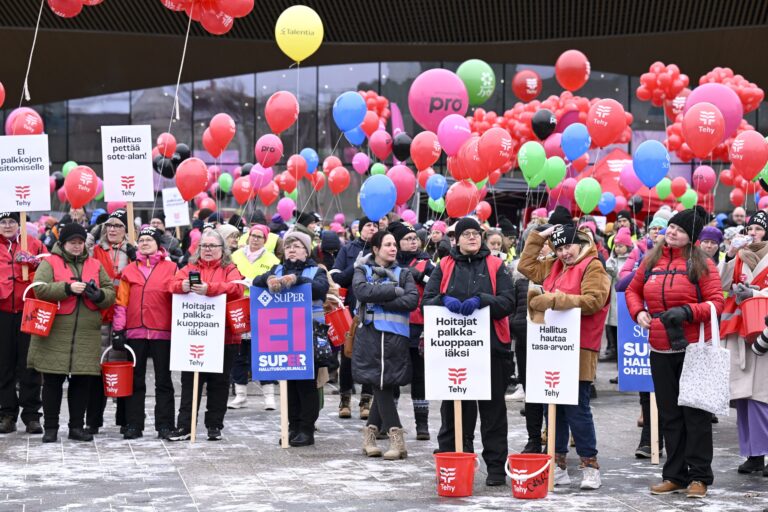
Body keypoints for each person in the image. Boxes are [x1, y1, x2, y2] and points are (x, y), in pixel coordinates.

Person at [625, 206, 725, 498]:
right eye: (670, 227)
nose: (671, 232)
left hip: (694, 348)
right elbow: (632, 290)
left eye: (679, 230)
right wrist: (637, 312)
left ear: (691, 237)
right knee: (670, 416)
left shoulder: (702, 263)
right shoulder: (651, 258)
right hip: (660, 347)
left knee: (695, 414)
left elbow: (716, 303)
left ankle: (699, 477)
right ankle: (675, 475)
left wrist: (686, 312)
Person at [519, 222, 611, 490]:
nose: (563, 253)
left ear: (580, 242)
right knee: (553, 407)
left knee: (577, 408)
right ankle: (557, 464)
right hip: (551, 346)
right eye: (558, 248)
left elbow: (594, 300)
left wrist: (554, 300)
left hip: (580, 347)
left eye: (568, 246)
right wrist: (540, 237)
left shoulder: (593, 266)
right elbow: (525, 266)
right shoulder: (554, 265)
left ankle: (589, 465)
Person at [423, 217, 515, 486]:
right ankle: (452, 461)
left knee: (493, 413)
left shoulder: (497, 265)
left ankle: (496, 467)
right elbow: (427, 300)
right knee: (453, 411)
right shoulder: (444, 266)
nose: (473, 238)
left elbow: (508, 302)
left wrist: (482, 300)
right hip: (453, 352)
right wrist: (444, 300)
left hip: (491, 351)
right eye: (467, 234)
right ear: (457, 239)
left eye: (477, 234)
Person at [26, 223, 116, 442]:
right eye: (72, 242)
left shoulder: (94, 263)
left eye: (79, 242)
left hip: (86, 333)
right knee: (52, 382)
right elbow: (39, 288)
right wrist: (67, 288)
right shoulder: (50, 262)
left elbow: (111, 293)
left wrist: (97, 295)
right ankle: (51, 428)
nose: (76, 246)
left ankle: (76, 427)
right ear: (63, 243)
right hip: (54, 332)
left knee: (81, 383)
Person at [253, 230, 329, 446]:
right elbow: (257, 282)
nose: (292, 250)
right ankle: (292, 426)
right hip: (283, 335)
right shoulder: (276, 269)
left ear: (306, 251)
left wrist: (297, 279)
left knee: (306, 384)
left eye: (297, 246)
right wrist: (268, 279)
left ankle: (306, 429)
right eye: (288, 246)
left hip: (307, 335)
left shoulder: (317, 270)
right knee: (289, 384)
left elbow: (320, 290)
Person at [168, 230, 244, 441]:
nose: (208, 250)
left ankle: (214, 426)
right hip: (194, 334)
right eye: (204, 246)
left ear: (222, 249)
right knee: (190, 382)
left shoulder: (229, 268)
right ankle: (185, 426)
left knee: (219, 383)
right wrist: (181, 286)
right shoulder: (190, 268)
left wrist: (210, 288)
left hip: (224, 336)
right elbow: (170, 285)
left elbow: (236, 288)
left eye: (213, 246)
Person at [354, 230, 418, 460]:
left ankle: (370, 438)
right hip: (371, 335)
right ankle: (395, 439)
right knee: (380, 383)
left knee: (385, 384)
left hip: (396, 338)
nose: (393, 248)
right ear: (375, 248)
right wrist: (393, 291)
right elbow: (362, 291)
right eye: (388, 244)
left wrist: (379, 297)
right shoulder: (363, 269)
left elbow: (411, 300)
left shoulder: (404, 273)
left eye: (394, 245)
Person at [111, 227, 177, 440]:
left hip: (163, 331)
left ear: (159, 244)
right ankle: (133, 423)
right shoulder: (129, 270)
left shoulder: (173, 268)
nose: (145, 243)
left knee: (164, 381)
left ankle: (165, 425)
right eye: (142, 240)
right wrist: (119, 329)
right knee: (134, 379)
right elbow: (121, 302)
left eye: (150, 239)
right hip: (135, 331)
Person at [719, 210, 768, 477]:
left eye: (759, 229)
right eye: (750, 228)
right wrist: (728, 254)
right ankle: (753, 455)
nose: (753, 233)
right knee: (744, 397)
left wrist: (756, 293)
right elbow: (722, 282)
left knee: (763, 396)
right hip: (739, 331)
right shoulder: (738, 255)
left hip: (764, 332)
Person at [86, 208, 136, 434]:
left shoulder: (133, 251)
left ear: (126, 230)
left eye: (118, 226)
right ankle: (93, 421)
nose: (112, 230)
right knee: (97, 372)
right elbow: (81, 249)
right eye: (109, 226)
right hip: (99, 317)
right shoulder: (95, 250)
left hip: (124, 319)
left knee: (123, 370)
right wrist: (95, 229)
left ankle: (125, 420)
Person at [0, 212, 47, 435]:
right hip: (2, 311)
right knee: (3, 364)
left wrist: (35, 262)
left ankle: (31, 415)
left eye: (12, 221)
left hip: (29, 309)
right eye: (3, 222)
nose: (7, 225)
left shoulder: (33, 243)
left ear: (20, 224)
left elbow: (50, 268)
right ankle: (7, 413)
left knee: (30, 363)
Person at [330, 216, 378, 419]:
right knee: (347, 353)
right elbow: (337, 277)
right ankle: (345, 398)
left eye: (376, 225)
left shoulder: (381, 249)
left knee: (370, 355)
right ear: (359, 228)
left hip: (373, 307)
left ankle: (366, 400)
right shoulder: (348, 249)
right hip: (350, 309)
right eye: (368, 225)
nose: (372, 228)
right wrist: (355, 267)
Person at [390, 222, 434, 440]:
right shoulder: (390, 263)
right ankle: (392, 423)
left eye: (414, 238)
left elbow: (438, 283)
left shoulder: (426, 263)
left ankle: (422, 425)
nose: (412, 241)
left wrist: (420, 277)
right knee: (394, 375)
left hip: (418, 325)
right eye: (407, 239)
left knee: (419, 376)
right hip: (395, 324)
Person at [229, 224, 280, 410]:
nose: (255, 239)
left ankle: (269, 396)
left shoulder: (272, 259)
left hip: (262, 308)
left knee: (264, 352)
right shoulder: (235, 256)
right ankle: (240, 394)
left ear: (265, 240)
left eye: (259, 236)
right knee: (239, 352)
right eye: (253, 235)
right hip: (238, 306)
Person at [508, 235, 551, 453]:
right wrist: (516, 326)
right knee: (532, 392)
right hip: (526, 341)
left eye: (547, 244)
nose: (542, 249)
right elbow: (514, 308)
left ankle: (552, 439)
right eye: (539, 244)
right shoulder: (519, 275)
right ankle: (533, 438)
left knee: (552, 392)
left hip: (553, 341)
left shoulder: (557, 273)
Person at [603, 227, 633, 364]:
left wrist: (615, 272)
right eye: (616, 246)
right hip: (613, 299)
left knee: (623, 330)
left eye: (621, 246)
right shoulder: (612, 259)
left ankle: (621, 358)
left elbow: (624, 277)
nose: (618, 249)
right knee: (613, 329)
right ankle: (614, 352)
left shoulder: (630, 260)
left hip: (623, 300)